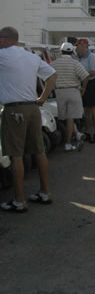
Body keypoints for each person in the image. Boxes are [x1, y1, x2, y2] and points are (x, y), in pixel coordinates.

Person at [0, 26, 57, 212]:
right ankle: (45, 191)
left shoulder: (3, 55)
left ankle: (19, 200)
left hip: (14, 109)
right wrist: (43, 98)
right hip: (33, 108)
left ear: (5, 39)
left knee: (16, 155)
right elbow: (52, 75)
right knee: (39, 151)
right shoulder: (31, 57)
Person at [51, 42, 89, 152]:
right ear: (72, 51)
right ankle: (68, 143)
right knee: (71, 118)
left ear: (60, 51)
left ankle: (76, 134)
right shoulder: (75, 63)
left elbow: (48, 77)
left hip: (60, 92)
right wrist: (83, 88)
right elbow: (86, 76)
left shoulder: (54, 63)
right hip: (73, 90)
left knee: (68, 118)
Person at [76, 39, 95, 143]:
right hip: (85, 83)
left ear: (83, 46)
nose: (77, 49)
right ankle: (87, 132)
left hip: (91, 84)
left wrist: (83, 75)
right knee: (86, 111)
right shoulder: (81, 57)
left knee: (93, 110)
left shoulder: (92, 56)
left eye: (78, 46)